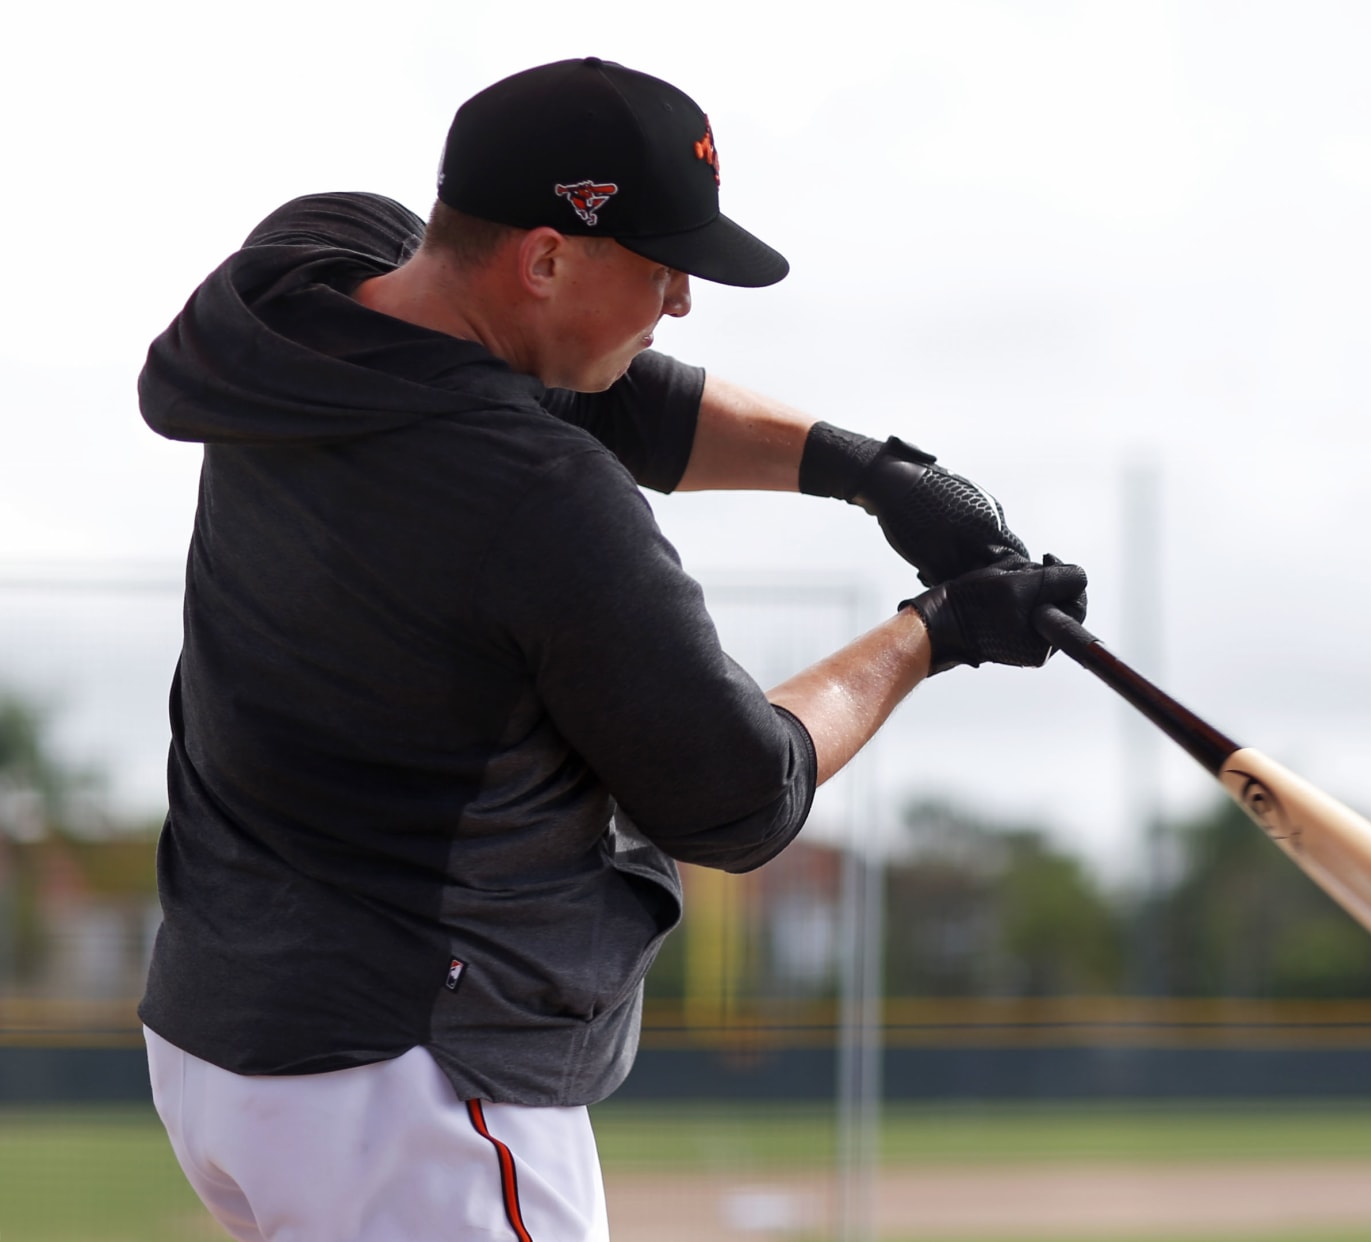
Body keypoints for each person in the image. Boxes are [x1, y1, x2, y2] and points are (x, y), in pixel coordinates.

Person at [134, 57, 1086, 1242]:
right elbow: (742, 794)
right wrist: (935, 632)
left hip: (221, 1042)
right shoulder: (541, 499)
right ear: (542, 257)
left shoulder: (298, 290)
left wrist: (869, 471)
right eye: (658, 265)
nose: (680, 299)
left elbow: (596, 388)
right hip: (415, 1079)